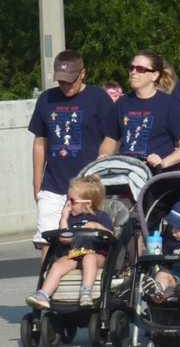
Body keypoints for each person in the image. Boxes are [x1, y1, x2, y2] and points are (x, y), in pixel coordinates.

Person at [28, 51, 117, 250]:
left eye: (70, 81)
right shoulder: (46, 99)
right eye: (61, 82)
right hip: (53, 185)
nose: (66, 86)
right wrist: (37, 185)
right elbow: (40, 142)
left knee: (85, 245)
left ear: (83, 73)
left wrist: (101, 166)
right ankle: (47, 280)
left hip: (87, 187)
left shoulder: (98, 98)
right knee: (47, 242)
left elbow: (111, 137)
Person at [25, 175, 112, 309]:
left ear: (87, 203)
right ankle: (43, 295)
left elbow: (112, 237)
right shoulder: (71, 218)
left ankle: (86, 292)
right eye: (67, 200)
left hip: (97, 255)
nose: (68, 205)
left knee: (89, 258)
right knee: (58, 265)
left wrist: (97, 226)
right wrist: (64, 218)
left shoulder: (101, 217)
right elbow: (64, 238)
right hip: (76, 253)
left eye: (72, 201)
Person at [100, 50, 180, 172]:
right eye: (131, 68)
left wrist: (163, 163)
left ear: (154, 75)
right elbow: (110, 139)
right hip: (128, 176)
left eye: (140, 69)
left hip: (159, 179)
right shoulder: (122, 103)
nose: (133, 72)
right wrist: (104, 157)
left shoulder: (170, 104)